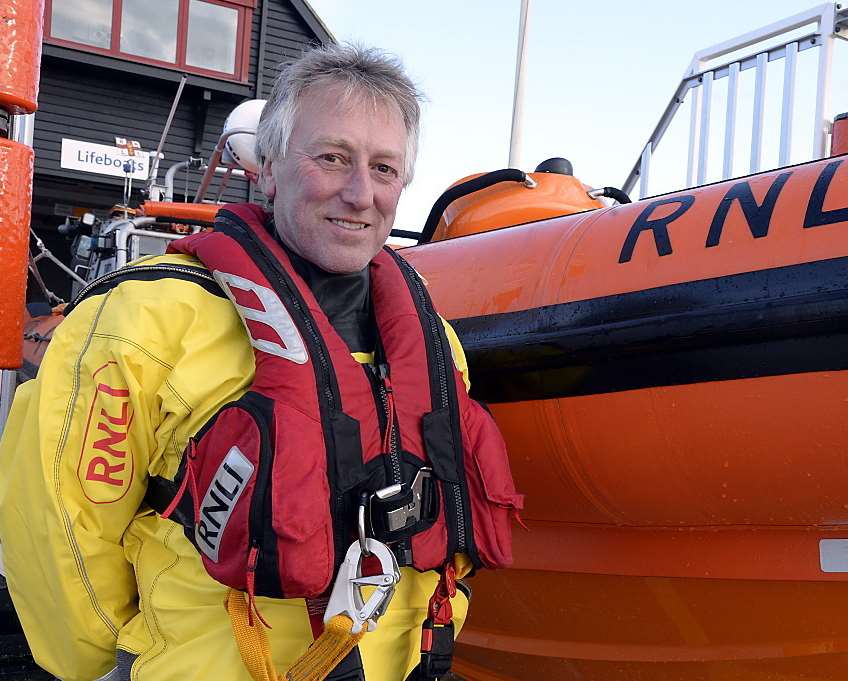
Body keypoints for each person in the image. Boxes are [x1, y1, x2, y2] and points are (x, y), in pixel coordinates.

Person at [0, 43, 521, 681]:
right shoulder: (146, 322)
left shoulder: (435, 343)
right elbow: (61, 526)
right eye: (332, 157)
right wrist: (107, 663)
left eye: (383, 168)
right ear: (268, 169)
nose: (360, 193)